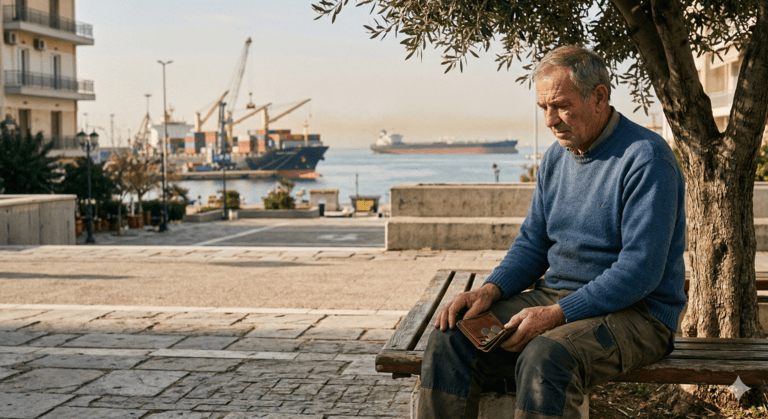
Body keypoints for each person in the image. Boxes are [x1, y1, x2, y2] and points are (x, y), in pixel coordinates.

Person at [417, 45, 687, 419]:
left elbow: (640, 272)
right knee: (452, 339)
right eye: (543, 107)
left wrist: (556, 314)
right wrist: (490, 290)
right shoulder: (556, 157)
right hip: (557, 299)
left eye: (560, 106)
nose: (549, 120)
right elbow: (533, 244)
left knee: (547, 358)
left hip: (639, 315)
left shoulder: (647, 159)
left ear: (599, 97)